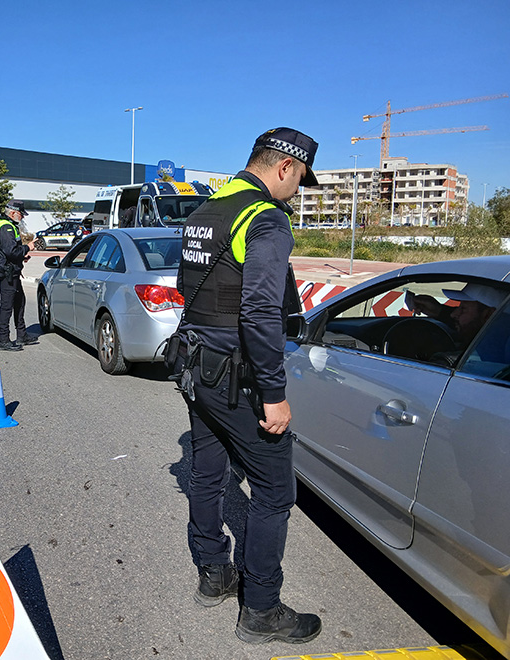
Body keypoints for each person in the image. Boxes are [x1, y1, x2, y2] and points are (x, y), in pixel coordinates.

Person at [173, 128, 322, 644]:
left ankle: (214, 575)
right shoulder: (265, 218)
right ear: (284, 167)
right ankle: (260, 608)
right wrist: (274, 394)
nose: (297, 191)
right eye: (300, 180)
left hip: (197, 368)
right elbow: (259, 311)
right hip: (238, 377)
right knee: (275, 491)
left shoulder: (205, 211)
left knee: (206, 473)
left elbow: (187, 288)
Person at [0, 200, 37, 351]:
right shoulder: (6, 227)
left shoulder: (6, 225)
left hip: (11, 270)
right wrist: (27, 248)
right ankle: (3, 339)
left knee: (19, 302)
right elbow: (11, 251)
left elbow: (9, 252)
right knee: (7, 306)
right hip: (7, 272)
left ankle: (22, 335)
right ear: (13, 213)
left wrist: (21, 257)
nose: (22, 217)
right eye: (21, 214)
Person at [409, 282, 503, 346]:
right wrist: (440, 311)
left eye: (463, 309)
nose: (453, 314)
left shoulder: (492, 354)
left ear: (488, 315)